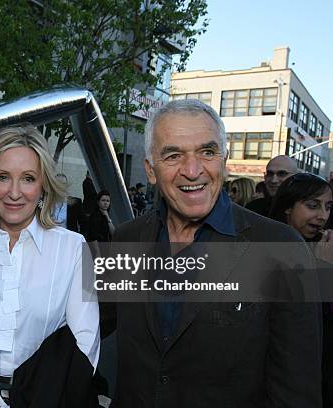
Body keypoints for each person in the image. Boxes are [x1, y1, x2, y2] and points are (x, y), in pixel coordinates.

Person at [111, 99, 322, 407]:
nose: (193, 170)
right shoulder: (125, 239)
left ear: (224, 159)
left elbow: (296, 389)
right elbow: (79, 327)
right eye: (173, 155)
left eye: (207, 152)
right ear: (150, 170)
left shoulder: (283, 248)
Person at [0, 125, 100, 407]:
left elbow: (86, 340)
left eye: (28, 178)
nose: (14, 192)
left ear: (43, 186)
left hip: (51, 397)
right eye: (3, 177)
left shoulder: (77, 248)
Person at [269, 173, 333, 405]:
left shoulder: (319, 248)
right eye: (312, 205)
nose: (322, 216)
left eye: (328, 207)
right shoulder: (269, 250)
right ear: (288, 207)